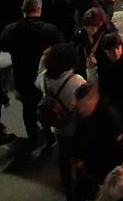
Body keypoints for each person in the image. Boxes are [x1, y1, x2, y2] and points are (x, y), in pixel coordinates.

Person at [3, 0, 63, 142]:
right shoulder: (49, 30)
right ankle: (48, 134)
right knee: (47, 106)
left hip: (21, 75)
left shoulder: (11, 29)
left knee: (28, 107)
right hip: (43, 76)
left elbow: (2, 45)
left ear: (23, 10)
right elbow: (62, 48)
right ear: (39, 9)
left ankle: (32, 134)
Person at [40, 43, 88, 194]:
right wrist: (92, 69)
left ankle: (67, 183)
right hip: (74, 127)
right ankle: (81, 183)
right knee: (80, 155)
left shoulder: (43, 78)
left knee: (63, 156)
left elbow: (37, 79)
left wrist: (43, 58)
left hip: (57, 127)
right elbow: (89, 94)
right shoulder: (76, 81)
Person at [71, 83, 123, 200]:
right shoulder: (82, 114)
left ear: (95, 99)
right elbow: (77, 135)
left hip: (104, 167)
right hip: (88, 164)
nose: (80, 110)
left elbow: (118, 148)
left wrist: (115, 173)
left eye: (83, 105)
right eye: (78, 106)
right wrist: (78, 157)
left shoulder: (111, 117)